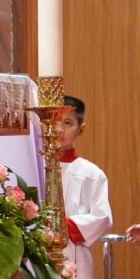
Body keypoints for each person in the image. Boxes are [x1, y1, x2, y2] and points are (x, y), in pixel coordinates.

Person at [59, 95, 112, 279]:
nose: (59, 129)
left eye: (67, 123)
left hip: (75, 256)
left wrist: (63, 225)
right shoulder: (34, 166)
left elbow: (102, 217)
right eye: (54, 121)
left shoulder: (91, 173)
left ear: (81, 129)